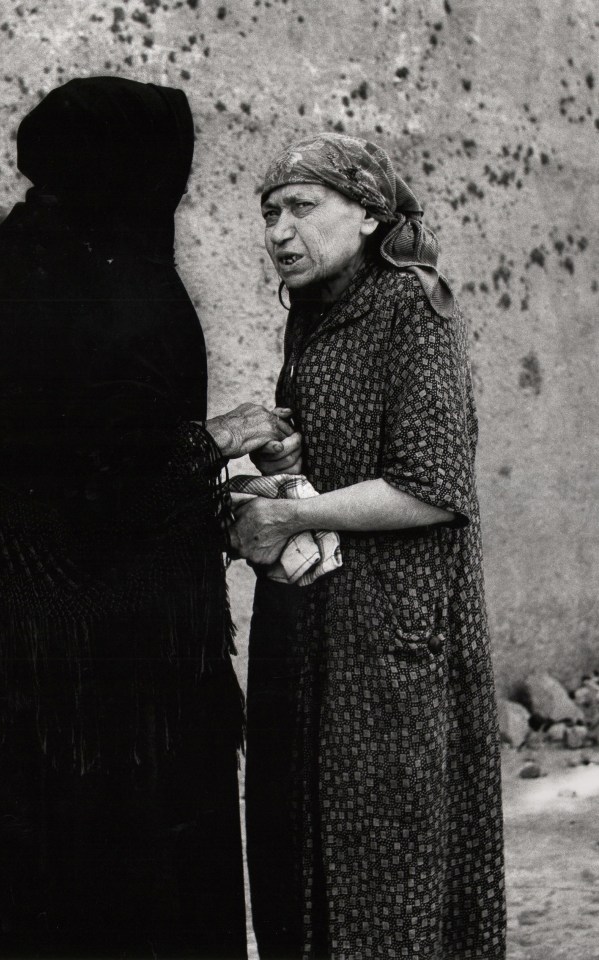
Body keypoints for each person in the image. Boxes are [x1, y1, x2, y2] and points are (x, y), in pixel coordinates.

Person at [0, 76, 290, 959]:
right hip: (122, 656)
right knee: (134, 870)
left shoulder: (7, 260)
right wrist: (216, 442)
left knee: (39, 874)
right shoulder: (110, 283)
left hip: (27, 637)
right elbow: (95, 468)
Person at [231, 134, 506, 959]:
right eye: (269, 213)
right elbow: (357, 458)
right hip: (322, 630)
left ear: (367, 214)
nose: (279, 231)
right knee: (305, 848)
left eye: (302, 208)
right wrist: (289, 463)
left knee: (387, 861)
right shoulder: (314, 311)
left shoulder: (410, 307)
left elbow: (430, 488)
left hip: (393, 637)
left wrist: (284, 520)